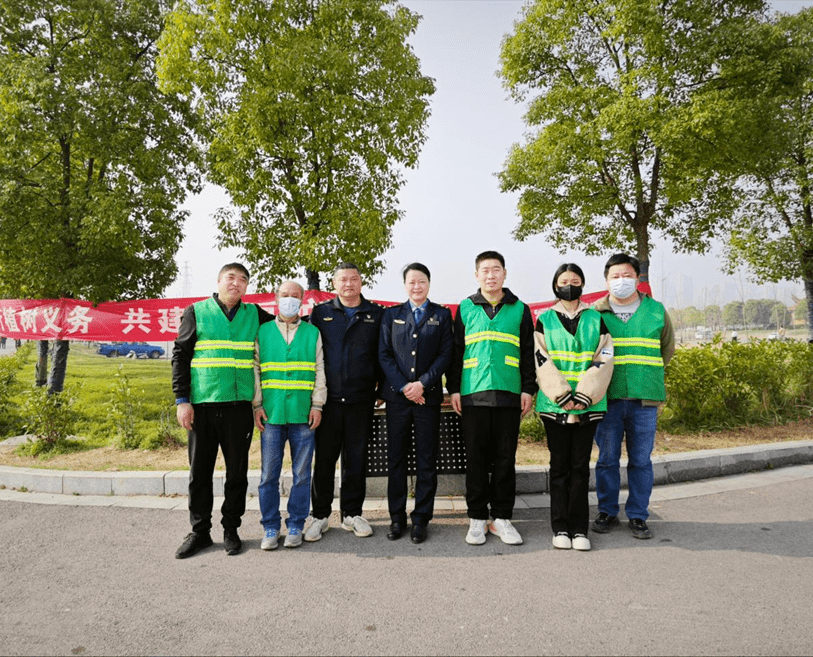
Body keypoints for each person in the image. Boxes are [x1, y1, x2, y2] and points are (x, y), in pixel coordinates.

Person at [172, 263, 272, 559]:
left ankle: (231, 529)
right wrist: (182, 400)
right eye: (231, 278)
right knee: (199, 473)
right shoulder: (197, 312)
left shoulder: (255, 315)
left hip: (239, 408)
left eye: (243, 280)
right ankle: (200, 532)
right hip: (202, 406)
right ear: (218, 281)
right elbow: (180, 354)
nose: (237, 283)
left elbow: (285, 326)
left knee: (237, 473)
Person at [447, 250, 537, 546]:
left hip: (509, 393)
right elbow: (456, 351)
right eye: (485, 270)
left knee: (504, 459)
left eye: (496, 269)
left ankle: (501, 518)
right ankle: (476, 517)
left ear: (504, 273)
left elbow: (528, 353)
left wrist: (528, 389)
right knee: (475, 459)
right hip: (473, 394)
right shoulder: (466, 308)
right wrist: (455, 389)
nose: (490, 275)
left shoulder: (520, 309)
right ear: (476, 275)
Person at [591, 253, 675, 540]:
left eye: (626, 275)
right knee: (607, 459)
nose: (621, 281)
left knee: (640, 460)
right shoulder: (594, 313)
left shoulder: (656, 310)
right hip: (608, 397)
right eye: (615, 276)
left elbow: (666, 350)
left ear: (638, 278)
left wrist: (645, 374)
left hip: (644, 398)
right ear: (606, 280)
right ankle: (607, 511)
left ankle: (638, 515)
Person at [534, 264, 614, 551]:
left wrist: (583, 396)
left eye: (575, 280)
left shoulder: (596, 318)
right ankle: (560, 528)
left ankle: (580, 529)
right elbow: (541, 359)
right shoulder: (544, 320)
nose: (569, 285)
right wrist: (563, 395)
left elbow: (604, 356)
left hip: (587, 405)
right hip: (555, 405)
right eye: (564, 280)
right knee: (559, 467)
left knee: (580, 467)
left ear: (583, 284)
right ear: (555, 285)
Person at [304, 263, 384, 541]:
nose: (348, 284)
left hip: (362, 400)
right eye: (343, 280)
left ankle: (352, 513)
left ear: (361, 282)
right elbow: (310, 355)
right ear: (334, 284)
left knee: (356, 460)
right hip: (328, 400)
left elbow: (383, 355)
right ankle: (320, 515)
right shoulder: (321, 313)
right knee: (324, 459)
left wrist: (382, 389)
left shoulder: (376, 314)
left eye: (354, 279)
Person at [378, 263, 453, 543]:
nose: (416, 286)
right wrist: (405, 386)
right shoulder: (391, 315)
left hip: (427, 398)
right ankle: (397, 518)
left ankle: (421, 518)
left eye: (421, 282)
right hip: (397, 399)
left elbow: (445, 354)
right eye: (411, 282)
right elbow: (384, 354)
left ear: (429, 284)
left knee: (426, 459)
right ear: (405, 285)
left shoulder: (441, 315)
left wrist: (422, 384)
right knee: (396, 459)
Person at [253, 280, 326, 550]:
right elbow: (256, 370)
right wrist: (257, 405)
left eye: (295, 296)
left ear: (303, 300)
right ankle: (270, 526)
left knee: (302, 474)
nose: (290, 300)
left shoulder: (312, 333)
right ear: (276, 298)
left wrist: (318, 404)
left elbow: (320, 370)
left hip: (303, 414)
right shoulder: (263, 332)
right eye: (285, 295)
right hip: (271, 414)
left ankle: (296, 522)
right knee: (268, 475)